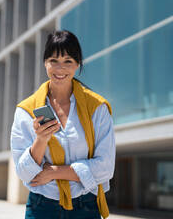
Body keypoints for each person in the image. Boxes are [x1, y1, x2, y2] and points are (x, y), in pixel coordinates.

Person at [10, 30, 115, 219]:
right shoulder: (25, 111)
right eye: (53, 61)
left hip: (86, 207)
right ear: (45, 63)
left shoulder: (97, 108)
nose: (60, 69)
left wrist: (54, 173)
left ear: (77, 64)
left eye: (68, 61)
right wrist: (41, 140)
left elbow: (106, 168)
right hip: (42, 206)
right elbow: (24, 173)